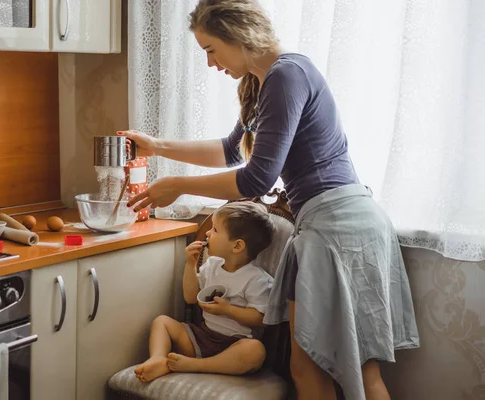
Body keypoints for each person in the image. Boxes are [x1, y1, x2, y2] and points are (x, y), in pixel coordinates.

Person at [120, 0, 419, 399]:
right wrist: (157, 146)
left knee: (323, 368)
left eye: (211, 49)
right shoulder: (265, 81)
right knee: (347, 369)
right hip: (336, 222)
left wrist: (180, 185)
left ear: (238, 34)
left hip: (337, 227)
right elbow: (231, 151)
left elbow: (257, 177)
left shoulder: (286, 75)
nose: (210, 63)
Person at [134, 201, 276, 383]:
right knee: (162, 322)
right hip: (200, 337)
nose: (208, 233)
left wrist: (228, 310)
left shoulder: (257, 280)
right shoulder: (212, 265)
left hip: (234, 346)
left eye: (215, 230)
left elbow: (261, 319)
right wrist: (190, 264)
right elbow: (190, 297)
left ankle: (195, 365)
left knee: (255, 351)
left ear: (237, 246)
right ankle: (158, 359)